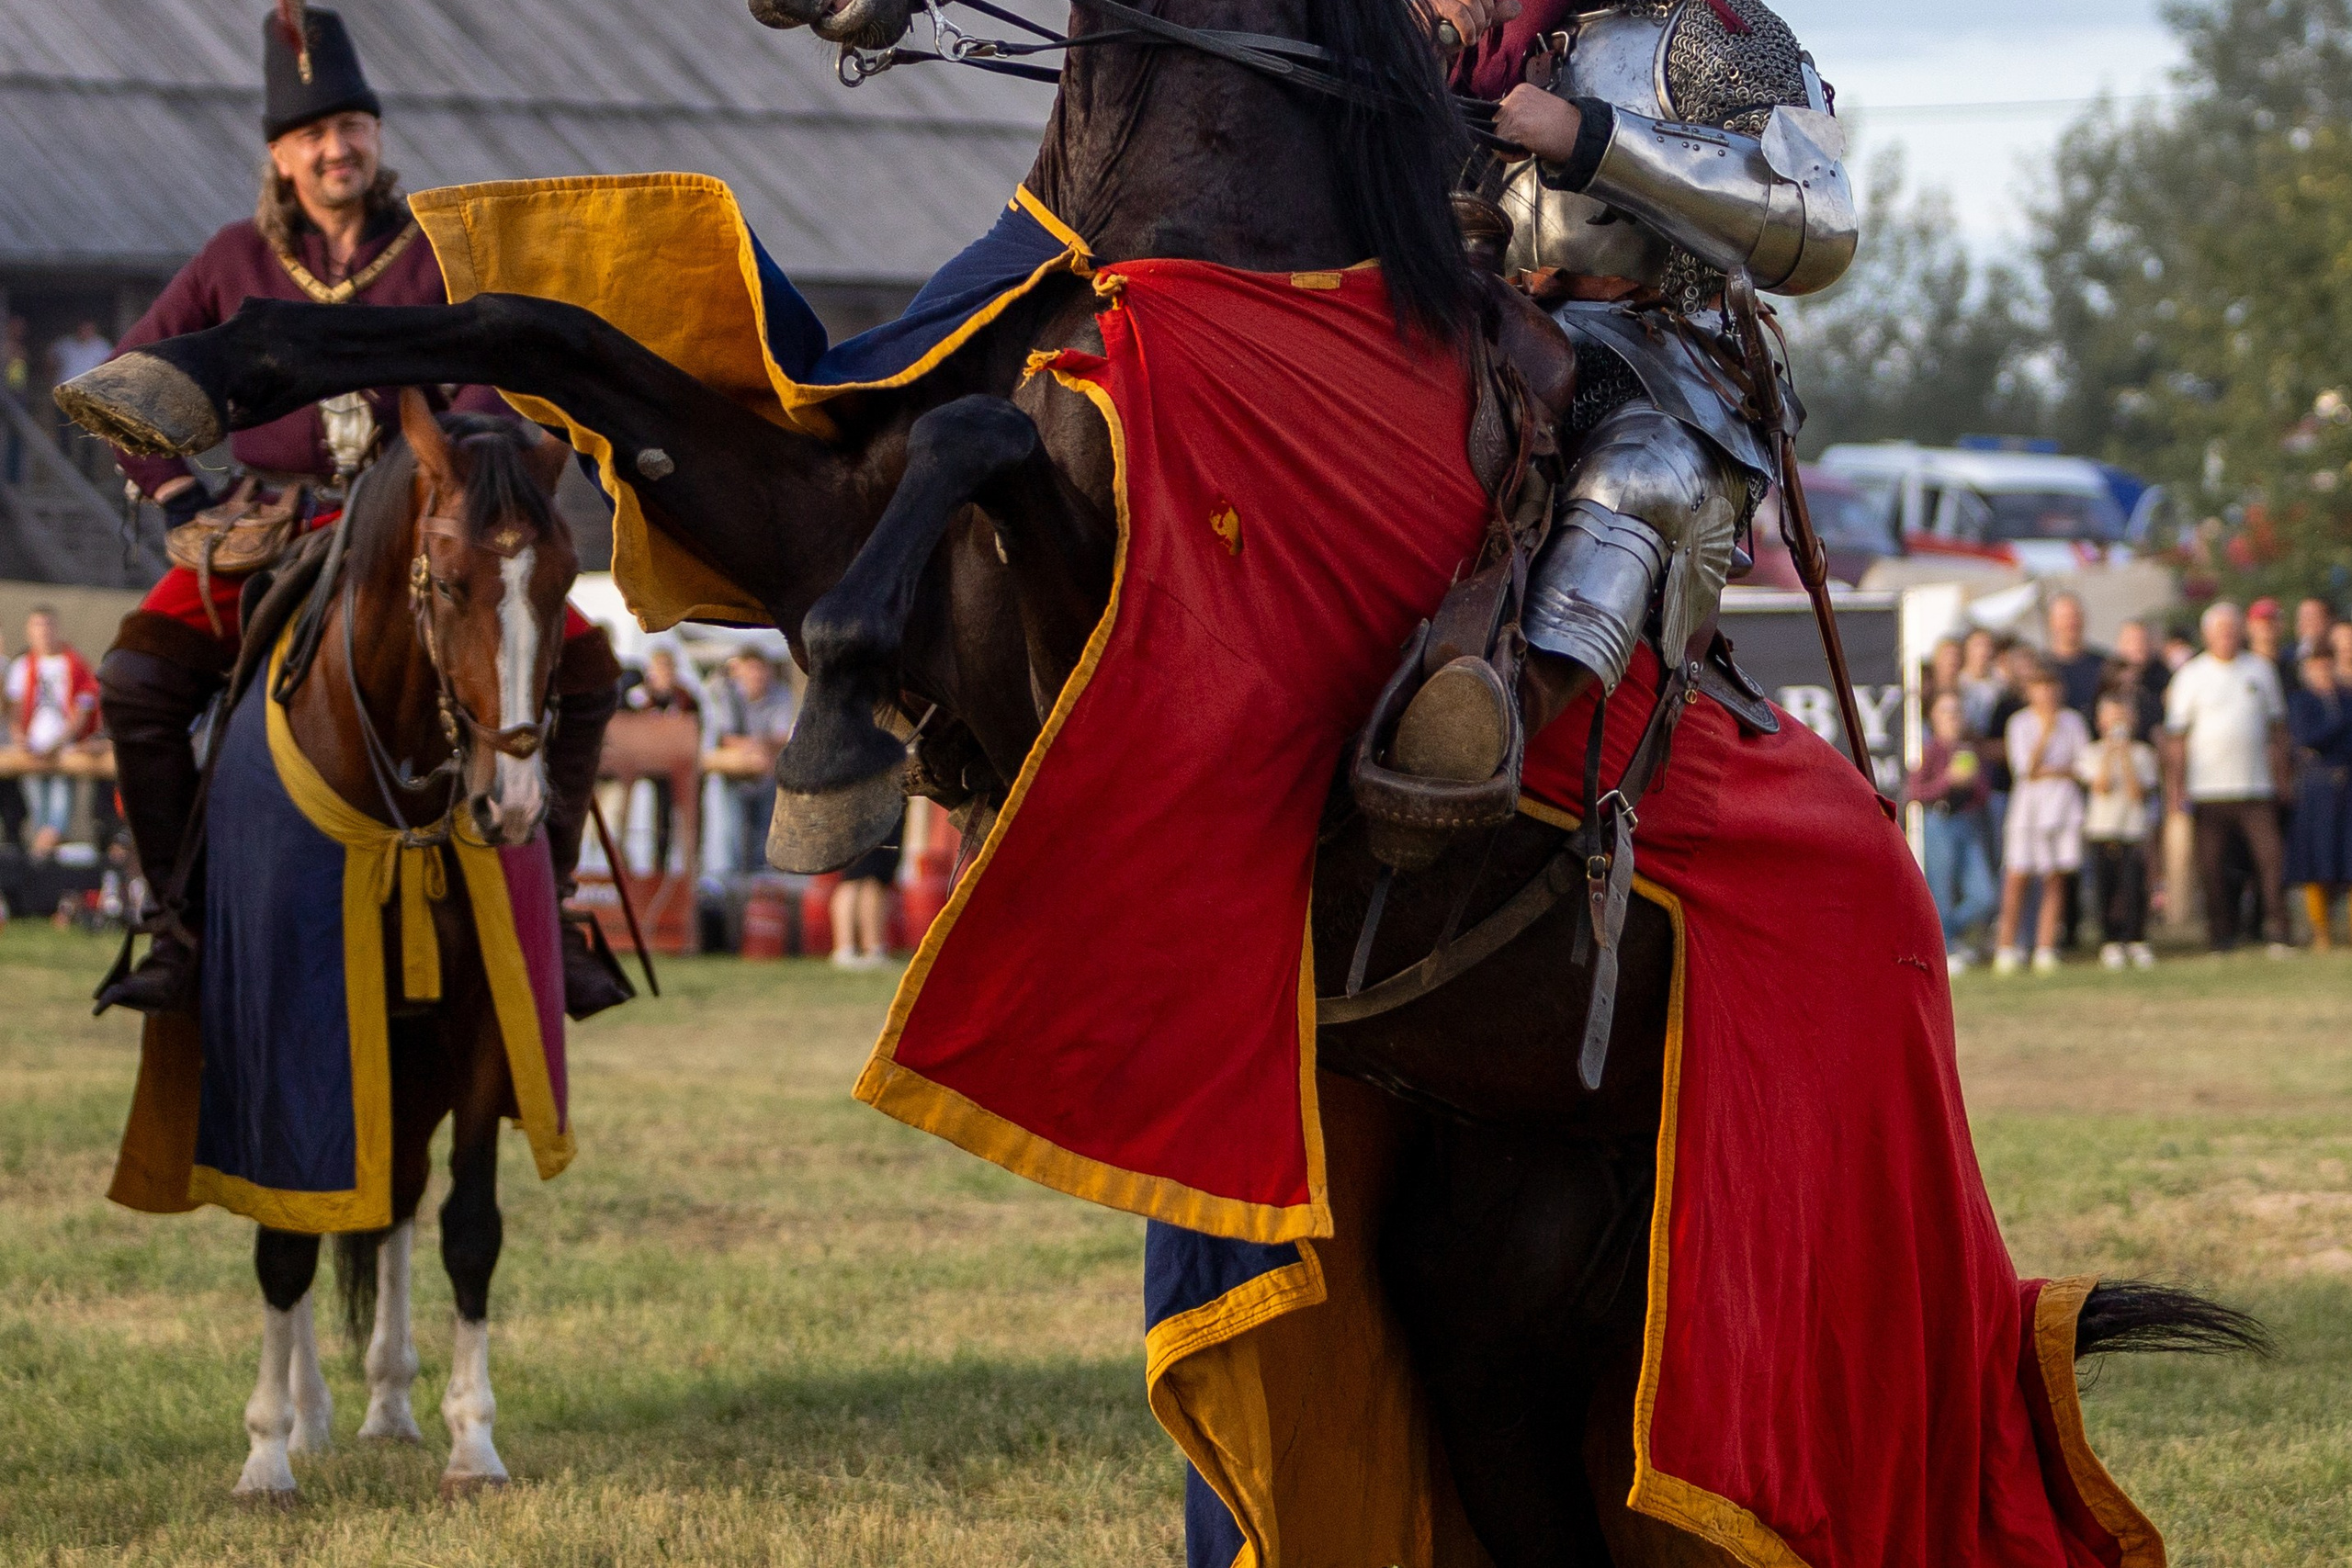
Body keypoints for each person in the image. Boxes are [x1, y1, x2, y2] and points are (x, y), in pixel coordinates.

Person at [87, 6, 626, 1017]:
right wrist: (178, 491)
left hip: (426, 525)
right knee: (134, 679)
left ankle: (550, 906)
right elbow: (127, 381)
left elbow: (489, 375)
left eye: (351, 128)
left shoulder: (435, 250)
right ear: (281, 155)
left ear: (375, 138)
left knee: (588, 662)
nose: (335, 147)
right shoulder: (230, 260)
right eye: (311, 134)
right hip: (268, 529)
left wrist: (460, 459)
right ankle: (177, 925)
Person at [1383, 0, 1857, 806]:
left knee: (1639, 476)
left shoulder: (1724, 37)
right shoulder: (1491, 43)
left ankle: (1485, 733)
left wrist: (1588, 139)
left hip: (1658, 356)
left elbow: (1819, 224)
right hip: (1489, 325)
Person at [2164, 601, 2291, 953]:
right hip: (2208, 789)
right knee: (2215, 868)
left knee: (2270, 860)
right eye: (2220, 631)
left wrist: (2282, 777)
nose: (2226, 637)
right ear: (2208, 635)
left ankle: (2277, 929)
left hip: (2255, 785)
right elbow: (2177, 738)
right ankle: (2222, 934)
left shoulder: (2260, 670)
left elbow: (2277, 729)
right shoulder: (2191, 675)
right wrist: (2177, 787)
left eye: (2232, 630)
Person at [1993, 662, 2089, 975]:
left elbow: (2083, 766)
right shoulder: (2019, 724)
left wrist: (2060, 770)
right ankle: (2007, 946)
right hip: (2029, 810)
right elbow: (2026, 769)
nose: (2047, 694)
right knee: (2017, 876)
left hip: (2062, 808)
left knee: (2055, 877)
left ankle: (2045, 946)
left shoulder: (2073, 722)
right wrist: (2047, 733)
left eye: (2051, 688)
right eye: (2040, 688)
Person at [1905, 692, 1997, 974]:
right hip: (1939, 820)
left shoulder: (1968, 750)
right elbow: (1916, 792)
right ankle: (1945, 946)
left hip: (1966, 820)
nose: (1953, 719)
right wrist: (1948, 779)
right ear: (1934, 718)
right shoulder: (1930, 750)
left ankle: (1945, 936)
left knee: (1984, 895)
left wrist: (1972, 780)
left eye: (1957, 712)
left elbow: (1983, 795)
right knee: (1941, 887)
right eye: (1946, 713)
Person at [6, 608, 101, 860]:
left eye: (48, 626)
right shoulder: (23, 665)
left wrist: (61, 740)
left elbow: (85, 706)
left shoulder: (74, 663)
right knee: (39, 811)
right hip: (33, 749)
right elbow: (15, 709)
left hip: (64, 748)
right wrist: (20, 739)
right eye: (37, 626)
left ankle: (45, 854)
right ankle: (43, 857)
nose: (43, 632)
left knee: (58, 814)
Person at [2075, 693, 2159, 970]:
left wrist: (2124, 756)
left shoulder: (2142, 753)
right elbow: (2100, 786)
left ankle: (2136, 938)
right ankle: (2109, 939)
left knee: (2134, 886)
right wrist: (2110, 753)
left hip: (2132, 829)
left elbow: (2138, 792)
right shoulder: (2091, 752)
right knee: (2106, 887)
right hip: (2103, 829)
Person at [701, 650, 796, 877]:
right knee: (732, 832)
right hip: (734, 773)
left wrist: (756, 749)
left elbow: (782, 736)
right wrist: (757, 749)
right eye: (751, 670)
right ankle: (731, 881)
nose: (756, 676)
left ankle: (759, 882)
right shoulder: (726, 693)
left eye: (760, 670)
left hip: (767, 772)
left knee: (764, 833)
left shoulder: (780, 694)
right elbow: (725, 737)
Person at [2284, 650, 2352, 952]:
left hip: (2346, 784)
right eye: (2316, 668)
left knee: (2347, 857)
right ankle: (2320, 932)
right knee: (2318, 858)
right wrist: (2341, 724)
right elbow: (2307, 738)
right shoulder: (2302, 702)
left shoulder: (2346, 698)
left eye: (2328, 667)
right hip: (2317, 787)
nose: (2323, 674)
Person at [831, 807, 903, 969]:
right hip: (871, 804)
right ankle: (870, 948)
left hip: (862, 805)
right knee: (868, 877)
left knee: (861, 877)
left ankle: (852, 948)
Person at [2043, 592, 2108, 722]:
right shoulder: (2041, 668)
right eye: (2065, 617)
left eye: (2075, 616)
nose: (2071, 623)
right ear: (2051, 622)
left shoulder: (2104, 666)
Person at [2104, 619, 2169, 742]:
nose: (2139, 646)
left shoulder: (2163, 676)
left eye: (2143, 641)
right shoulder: (2109, 676)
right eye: (2132, 641)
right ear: (2120, 645)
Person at [1958, 628, 2007, 739]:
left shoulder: (2001, 683)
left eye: (1987, 645)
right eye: (1977, 645)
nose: (1983, 650)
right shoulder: (1958, 682)